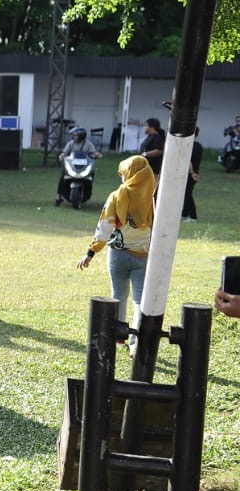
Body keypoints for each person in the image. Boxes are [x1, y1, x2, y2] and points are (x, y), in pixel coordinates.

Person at [77, 155, 155, 348]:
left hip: (117, 255)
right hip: (144, 257)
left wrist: (90, 253)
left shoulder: (116, 196)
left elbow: (104, 227)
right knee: (139, 300)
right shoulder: (154, 199)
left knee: (118, 295)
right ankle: (137, 342)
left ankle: (118, 337)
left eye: (123, 173)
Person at [54, 126, 100, 205]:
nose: (73, 137)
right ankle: (59, 196)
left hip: (84, 167)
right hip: (72, 166)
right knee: (63, 176)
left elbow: (93, 153)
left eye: (75, 135)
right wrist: (62, 155)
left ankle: (87, 192)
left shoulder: (88, 145)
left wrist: (96, 155)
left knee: (91, 174)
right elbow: (65, 153)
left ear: (81, 136)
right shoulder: (70, 144)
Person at [182, 127, 202, 222]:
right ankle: (184, 213)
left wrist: (192, 172)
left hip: (190, 173)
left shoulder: (189, 146)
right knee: (186, 194)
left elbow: (188, 160)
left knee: (188, 194)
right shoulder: (198, 146)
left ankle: (193, 216)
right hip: (195, 172)